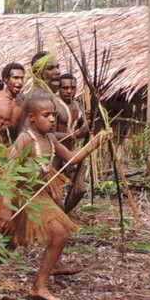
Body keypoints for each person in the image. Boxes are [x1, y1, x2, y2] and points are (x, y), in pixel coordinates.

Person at [0, 94, 105, 300]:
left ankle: (39, 286)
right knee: (9, 243)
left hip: (38, 197)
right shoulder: (25, 138)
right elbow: (9, 171)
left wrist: (95, 143)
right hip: (17, 196)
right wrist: (6, 208)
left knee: (60, 234)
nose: (52, 119)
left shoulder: (50, 138)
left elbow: (71, 158)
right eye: (46, 115)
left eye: (53, 115)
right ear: (32, 117)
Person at [57, 73, 90, 213]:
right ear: (58, 88)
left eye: (72, 88)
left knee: (79, 190)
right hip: (55, 155)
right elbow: (48, 135)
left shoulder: (77, 105)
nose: (69, 91)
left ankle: (63, 215)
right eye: (65, 88)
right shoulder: (54, 105)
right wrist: (74, 135)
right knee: (54, 195)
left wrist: (88, 122)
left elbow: (84, 129)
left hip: (71, 155)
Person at [0, 63, 25, 143]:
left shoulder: (23, 100)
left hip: (14, 147)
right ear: (6, 79)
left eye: (22, 78)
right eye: (16, 78)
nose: (20, 82)